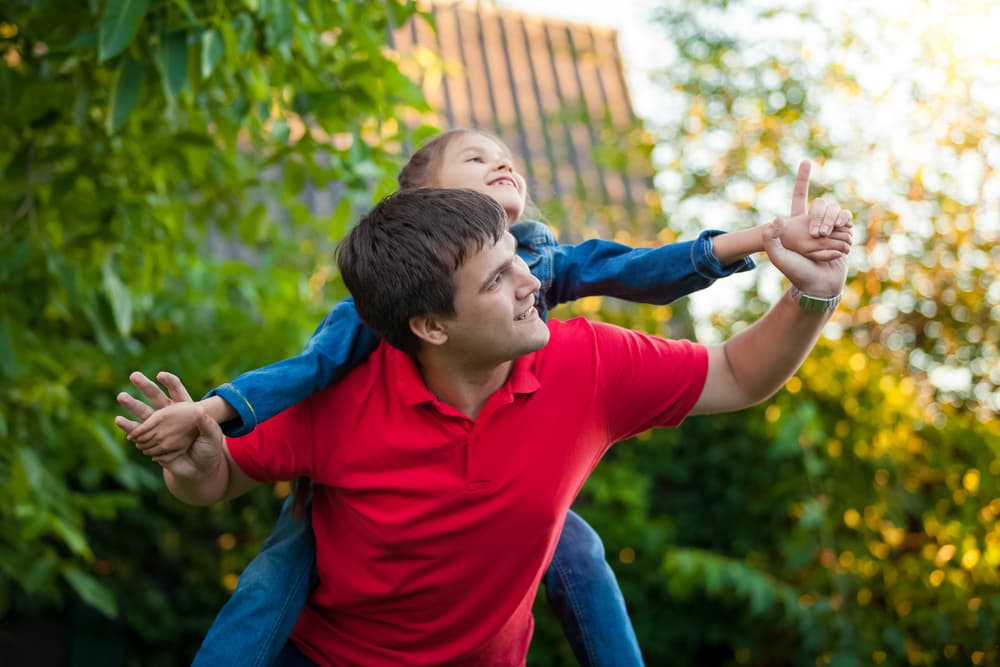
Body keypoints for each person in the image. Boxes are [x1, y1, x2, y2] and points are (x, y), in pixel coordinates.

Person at [123, 129, 851, 666]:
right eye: (499, 279)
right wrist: (197, 458)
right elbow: (216, 476)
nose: (534, 282)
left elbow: (737, 372)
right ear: (429, 325)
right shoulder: (343, 384)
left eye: (518, 262)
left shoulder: (584, 361)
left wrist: (812, 292)